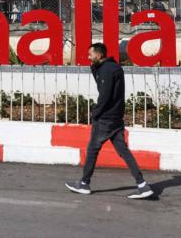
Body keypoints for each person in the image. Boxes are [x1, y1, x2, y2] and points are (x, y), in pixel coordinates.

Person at [65, 43, 154, 199]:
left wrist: (96, 113)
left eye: (90, 55)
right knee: (123, 151)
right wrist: (94, 66)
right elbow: (102, 85)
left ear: (99, 55)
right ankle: (142, 185)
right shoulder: (113, 68)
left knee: (92, 149)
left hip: (106, 118)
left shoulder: (107, 70)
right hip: (116, 117)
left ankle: (84, 183)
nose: (88, 57)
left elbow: (104, 95)